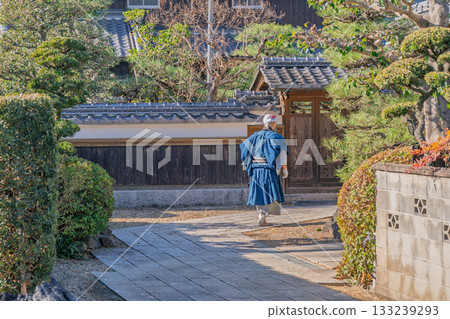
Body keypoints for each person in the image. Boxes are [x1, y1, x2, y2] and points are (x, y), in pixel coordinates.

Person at [240, 114, 288, 226]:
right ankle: (262, 216)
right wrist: (284, 168)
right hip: (269, 170)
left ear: (264, 124)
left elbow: (245, 151)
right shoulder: (277, 137)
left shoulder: (254, 136)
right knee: (270, 193)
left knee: (260, 193)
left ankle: (262, 216)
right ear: (274, 124)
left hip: (256, 170)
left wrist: (247, 165)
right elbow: (282, 155)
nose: (274, 124)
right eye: (274, 123)